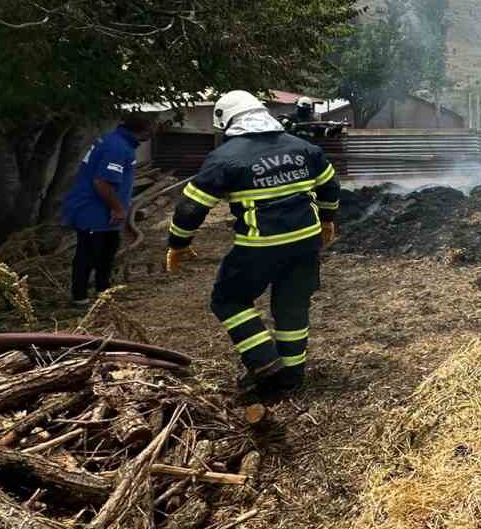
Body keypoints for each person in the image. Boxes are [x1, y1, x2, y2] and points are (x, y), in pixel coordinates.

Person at [163, 90, 341, 401]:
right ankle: (292, 377)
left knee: (228, 299)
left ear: (226, 121)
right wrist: (327, 221)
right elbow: (330, 185)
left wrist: (178, 244)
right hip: (305, 241)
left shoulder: (225, 158)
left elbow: (190, 208)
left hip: (260, 246)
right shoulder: (304, 148)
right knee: (292, 305)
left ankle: (264, 362)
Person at [62, 115, 155, 305]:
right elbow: (101, 182)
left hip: (101, 209)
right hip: (93, 209)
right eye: (153, 128)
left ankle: (103, 292)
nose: (154, 132)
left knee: (107, 251)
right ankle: (79, 297)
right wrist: (118, 209)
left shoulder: (117, 140)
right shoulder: (117, 147)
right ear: (142, 130)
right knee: (88, 253)